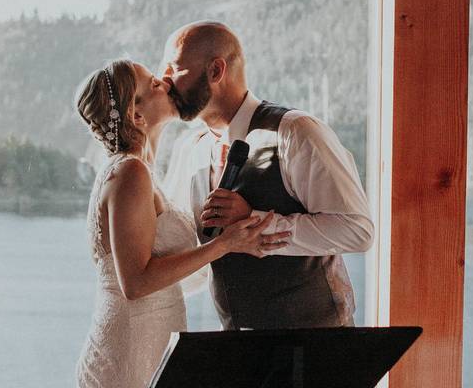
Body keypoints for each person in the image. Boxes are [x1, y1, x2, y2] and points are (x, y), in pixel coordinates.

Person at [74, 58, 290, 388]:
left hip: (149, 339)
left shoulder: (138, 171)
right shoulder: (130, 173)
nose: (164, 81)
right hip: (131, 351)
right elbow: (135, 283)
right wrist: (224, 245)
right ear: (136, 115)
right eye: (152, 84)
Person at [159, 21, 374, 329]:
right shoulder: (191, 149)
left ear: (215, 71)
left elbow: (357, 230)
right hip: (243, 353)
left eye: (173, 70)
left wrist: (257, 222)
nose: (165, 83)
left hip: (319, 348)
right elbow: (192, 256)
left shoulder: (296, 131)